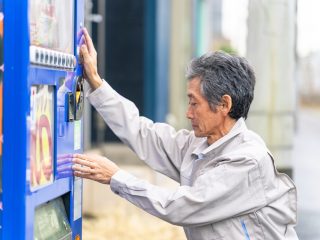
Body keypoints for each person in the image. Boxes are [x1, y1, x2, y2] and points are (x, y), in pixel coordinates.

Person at [72, 28, 298, 240]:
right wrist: (96, 82)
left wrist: (115, 176)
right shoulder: (200, 144)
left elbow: (179, 206)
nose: (188, 113)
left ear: (224, 104)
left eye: (194, 103)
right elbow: (141, 132)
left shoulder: (247, 161)